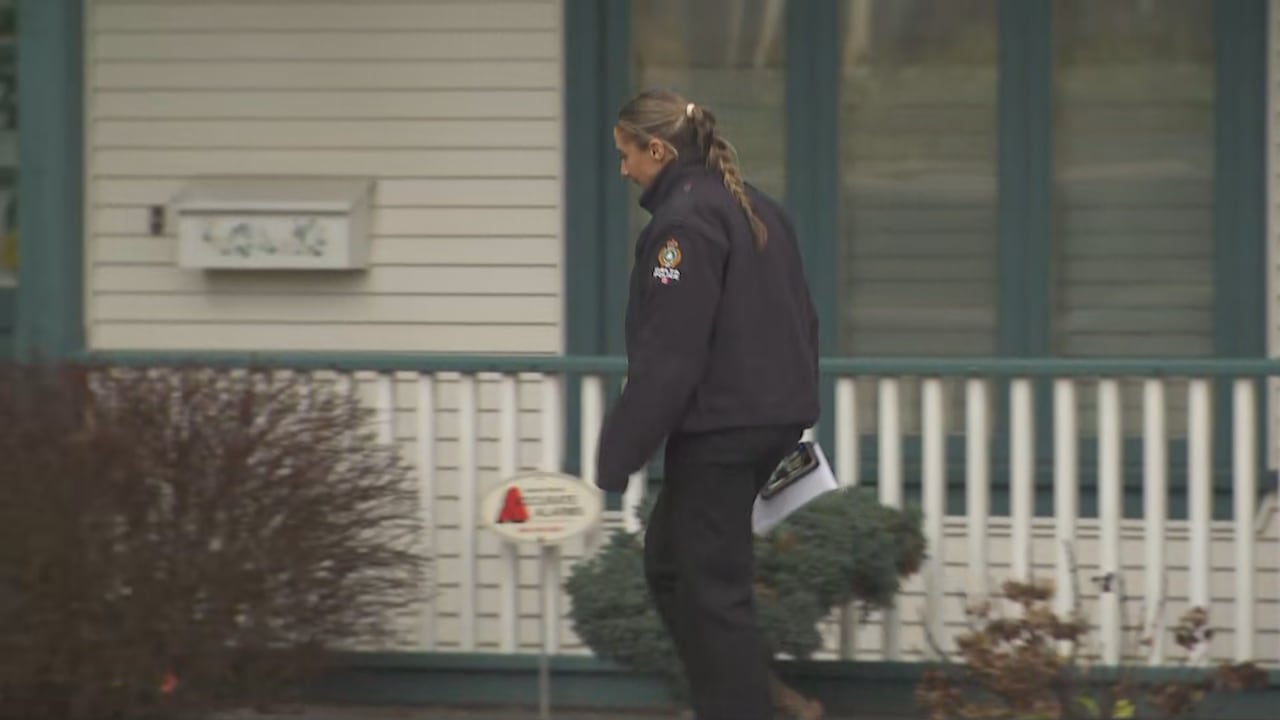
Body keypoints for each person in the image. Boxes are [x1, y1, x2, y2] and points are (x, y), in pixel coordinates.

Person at [594, 88, 821, 720]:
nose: (623, 170)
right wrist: (798, 407)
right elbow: (807, 319)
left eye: (627, 154)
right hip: (770, 422)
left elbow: (671, 353)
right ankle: (760, 696)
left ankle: (745, 706)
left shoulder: (682, 227)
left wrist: (618, 456)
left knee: (710, 592)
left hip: (724, 431)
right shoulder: (762, 210)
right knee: (672, 566)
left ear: (658, 149)